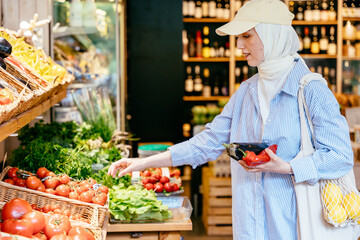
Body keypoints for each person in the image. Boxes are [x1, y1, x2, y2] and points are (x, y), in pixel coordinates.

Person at [108, 0, 354, 239]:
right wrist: (144, 163)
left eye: (246, 36)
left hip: (295, 226)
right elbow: (208, 141)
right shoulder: (247, 91)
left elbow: (341, 156)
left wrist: (288, 168)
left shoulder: (311, 90)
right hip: (250, 224)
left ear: (272, 35)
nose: (238, 45)